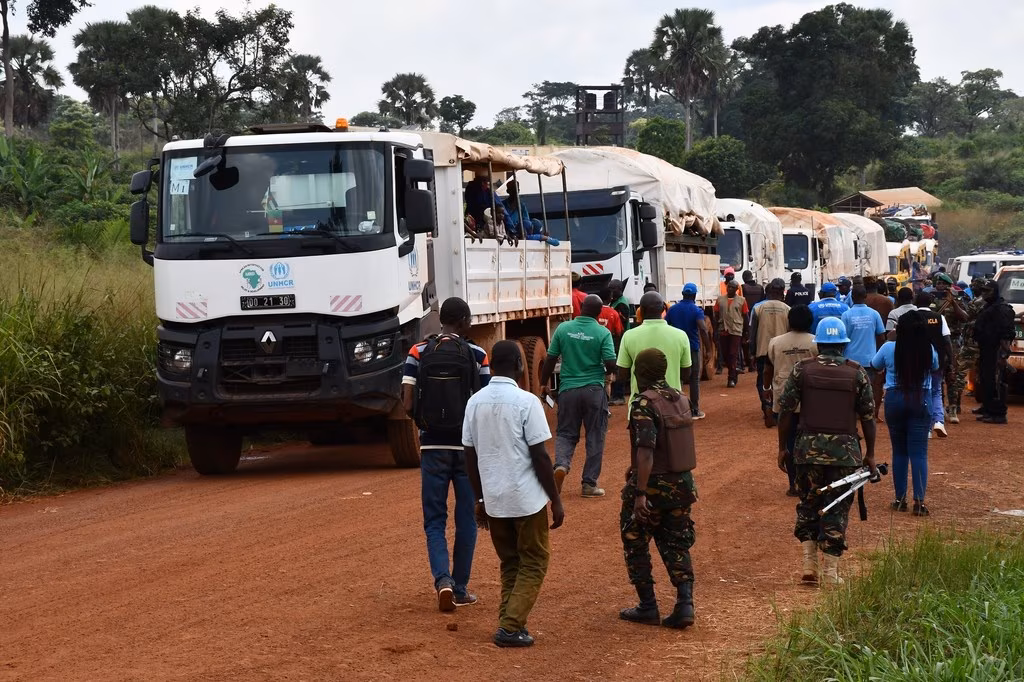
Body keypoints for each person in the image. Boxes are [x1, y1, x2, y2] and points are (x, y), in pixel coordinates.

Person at [463, 341, 565, 648]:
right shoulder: (528, 402)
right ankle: (510, 626)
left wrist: (479, 499)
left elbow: (470, 456)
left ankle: (510, 619)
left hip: (494, 499)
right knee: (534, 560)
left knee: (510, 562)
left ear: (491, 366)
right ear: (521, 368)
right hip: (525, 499)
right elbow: (541, 457)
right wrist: (555, 500)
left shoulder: (474, 403)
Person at [402, 297, 491, 612]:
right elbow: (484, 402)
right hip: (467, 449)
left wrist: (424, 427)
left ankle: (443, 581)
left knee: (435, 520)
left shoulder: (418, 352)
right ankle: (462, 587)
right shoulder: (478, 354)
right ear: (465, 321)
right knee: (467, 517)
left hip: (432, 446)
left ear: (441, 321)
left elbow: (408, 401)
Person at [777, 318, 876, 585]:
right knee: (838, 507)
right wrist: (870, 454)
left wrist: (782, 449)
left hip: (807, 452)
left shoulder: (802, 370)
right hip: (845, 454)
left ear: (819, 344)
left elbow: (785, 411)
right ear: (843, 345)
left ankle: (809, 565)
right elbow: (868, 417)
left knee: (809, 503)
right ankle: (831, 572)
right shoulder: (857, 372)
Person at [618, 348, 699, 630]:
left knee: (634, 539)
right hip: (682, 484)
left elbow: (646, 450)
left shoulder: (643, 403)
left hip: (653, 487)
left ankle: (647, 605)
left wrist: (639, 493)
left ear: (641, 373)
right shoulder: (680, 398)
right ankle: (685, 603)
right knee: (677, 542)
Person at [540, 295, 617, 498]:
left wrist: (542, 383)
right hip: (594, 390)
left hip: (568, 390)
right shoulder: (602, 333)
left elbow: (550, 358)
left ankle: (562, 465)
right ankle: (589, 484)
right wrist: (601, 369)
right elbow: (610, 364)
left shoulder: (563, 329)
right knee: (595, 435)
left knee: (566, 433)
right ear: (599, 312)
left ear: (581, 307)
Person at [871, 311, 938, 516]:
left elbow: (875, 365)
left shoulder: (889, 347)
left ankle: (900, 500)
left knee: (899, 452)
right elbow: (935, 367)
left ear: (899, 329)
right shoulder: (928, 349)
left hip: (895, 399)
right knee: (919, 453)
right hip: (920, 399)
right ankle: (919, 502)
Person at [766, 305, 818, 497]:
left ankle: (793, 484)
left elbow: (768, 368)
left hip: (783, 394)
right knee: (808, 439)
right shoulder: (815, 342)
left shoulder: (775, 342)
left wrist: (766, 389)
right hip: (809, 397)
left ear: (789, 320)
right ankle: (808, 480)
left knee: (788, 440)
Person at [618, 292, 693, 407]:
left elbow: (623, 374)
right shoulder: (681, 336)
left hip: (640, 408)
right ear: (663, 309)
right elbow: (685, 374)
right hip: (672, 407)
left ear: (640, 311)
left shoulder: (628, 336)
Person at [973, 279, 1016, 425]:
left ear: (995, 292)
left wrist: (1004, 355)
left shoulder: (1001, 309)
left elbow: (1006, 335)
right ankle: (988, 408)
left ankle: (998, 414)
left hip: (996, 351)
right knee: (986, 380)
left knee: (997, 383)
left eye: (987, 291)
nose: (984, 294)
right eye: (983, 291)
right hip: (986, 349)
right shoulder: (989, 307)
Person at [749, 278, 790, 424]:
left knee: (762, 380)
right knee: (780, 380)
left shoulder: (758, 308)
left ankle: (766, 405)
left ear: (770, 292)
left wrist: (752, 352)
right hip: (782, 351)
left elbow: (752, 333)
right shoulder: (787, 309)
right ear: (782, 293)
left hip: (763, 350)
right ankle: (777, 410)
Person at [666, 283, 710, 419]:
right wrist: (708, 349)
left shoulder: (672, 310)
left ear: (683, 293)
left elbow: (666, 325)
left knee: (677, 378)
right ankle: (694, 410)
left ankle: (677, 408)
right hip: (692, 348)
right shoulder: (696, 311)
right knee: (693, 379)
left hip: (675, 348)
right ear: (695, 295)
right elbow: (703, 329)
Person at [913, 291, 952, 438]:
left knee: (921, 393)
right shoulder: (939, 318)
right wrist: (952, 362)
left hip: (916, 362)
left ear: (916, 302)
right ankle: (939, 422)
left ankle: (927, 428)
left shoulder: (910, 318)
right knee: (936, 391)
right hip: (937, 362)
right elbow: (947, 341)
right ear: (930, 303)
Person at [840, 286, 886, 409]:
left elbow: (843, 338)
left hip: (850, 359)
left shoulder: (846, 315)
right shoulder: (874, 314)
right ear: (865, 297)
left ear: (852, 297)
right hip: (869, 359)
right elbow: (881, 337)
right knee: (868, 387)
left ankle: (852, 412)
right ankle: (866, 412)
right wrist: (879, 357)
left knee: (851, 387)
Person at [932, 273, 969, 424]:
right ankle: (939, 407)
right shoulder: (931, 299)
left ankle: (953, 407)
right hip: (935, 341)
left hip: (952, 341)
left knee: (952, 374)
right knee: (937, 373)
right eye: (937, 283)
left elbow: (965, 318)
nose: (940, 286)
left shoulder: (958, 300)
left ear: (948, 285)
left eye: (943, 283)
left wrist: (953, 302)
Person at [715, 280, 749, 387]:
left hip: (736, 330)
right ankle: (734, 370)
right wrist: (715, 330)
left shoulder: (742, 300)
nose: (730, 289)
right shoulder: (720, 299)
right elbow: (716, 315)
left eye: (732, 287)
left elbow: (745, 316)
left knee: (732, 354)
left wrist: (746, 332)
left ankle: (731, 378)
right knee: (725, 355)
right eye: (729, 287)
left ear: (736, 289)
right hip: (723, 329)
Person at [741, 271, 766, 371]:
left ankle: (749, 362)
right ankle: (754, 362)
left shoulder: (743, 287)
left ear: (744, 278)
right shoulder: (760, 287)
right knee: (757, 338)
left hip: (746, 316)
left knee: (747, 339)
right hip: (758, 315)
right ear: (752, 277)